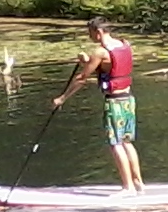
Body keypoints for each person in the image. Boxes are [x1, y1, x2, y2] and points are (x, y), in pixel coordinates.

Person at [52, 16, 144, 194]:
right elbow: (107, 67)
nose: (90, 37)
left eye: (91, 33)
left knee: (115, 143)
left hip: (114, 103)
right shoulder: (125, 44)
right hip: (129, 100)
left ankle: (128, 188)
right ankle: (139, 183)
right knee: (127, 142)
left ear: (99, 32)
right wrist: (86, 62)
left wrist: (62, 98)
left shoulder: (100, 52)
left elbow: (82, 78)